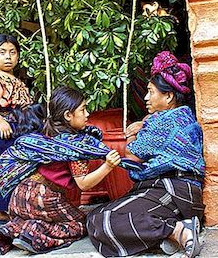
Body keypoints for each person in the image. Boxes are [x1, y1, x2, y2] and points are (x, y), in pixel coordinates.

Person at [87, 51, 205, 258]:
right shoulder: (181, 116)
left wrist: (133, 134)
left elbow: (133, 155)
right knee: (96, 216)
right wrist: (143, 125)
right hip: (176, 191)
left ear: (168, 96)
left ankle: (176, 231)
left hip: (173, 190)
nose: (145, 97)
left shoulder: (164, 122)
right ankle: (167, 234)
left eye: (151, 92)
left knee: (105, 221)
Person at [0, 86, 122, 254]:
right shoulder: (76, 146)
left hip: (18, 197)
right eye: (83, 110)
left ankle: (14, 229)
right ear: (68, 115)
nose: (87, 114)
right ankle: (34, 234)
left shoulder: (48, 133)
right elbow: (83, 184)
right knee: (82, 224)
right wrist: (108, 166)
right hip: (43, 198)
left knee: (41, 216)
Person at [0, 34, 32, 224]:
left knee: (17, 165)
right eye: (2, 52)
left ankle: (14, 206)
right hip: (1, 126)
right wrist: (0, 121)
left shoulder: (17, 80)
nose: (8, 57)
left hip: (19, 125)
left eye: (12, 52)